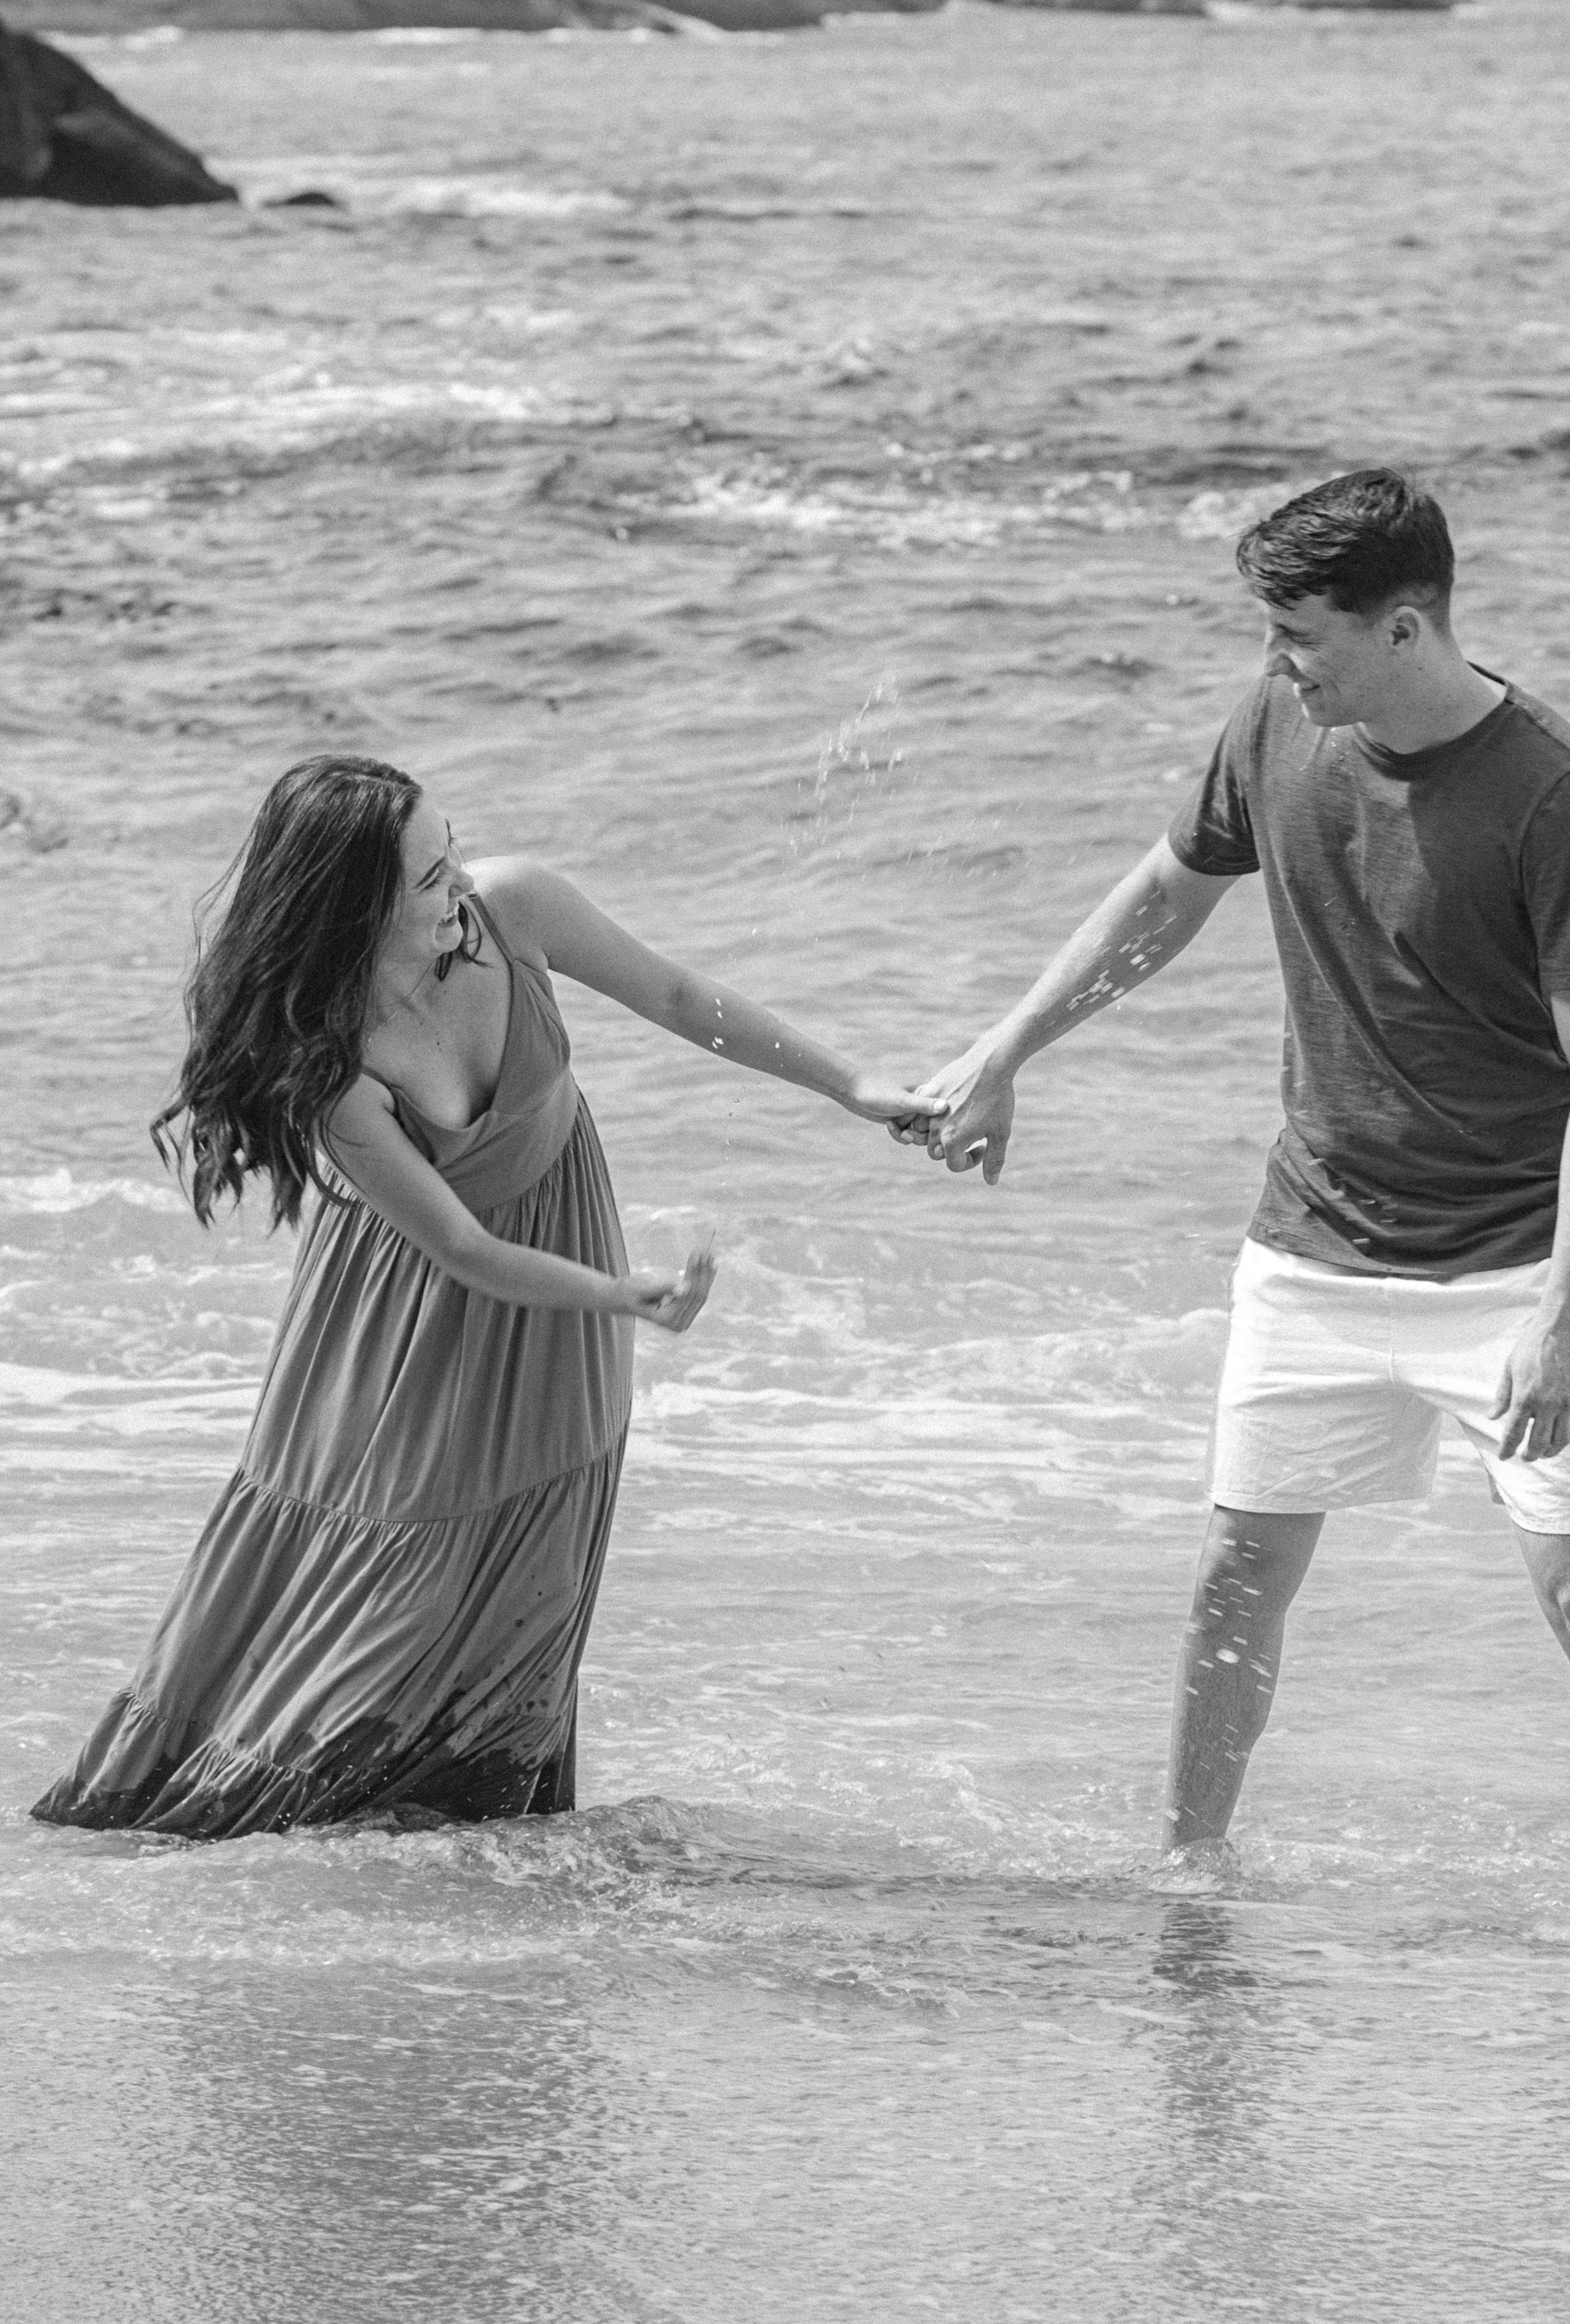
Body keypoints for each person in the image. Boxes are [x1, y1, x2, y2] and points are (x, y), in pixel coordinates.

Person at [905, 469, 1570, 1925]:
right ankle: (1189, 1877)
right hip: (1314, 1249)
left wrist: (1569, 1315)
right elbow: (1164, 895)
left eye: (1299, 635)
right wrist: (1007, 1050)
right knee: (1234, 1580)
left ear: (1404, 626)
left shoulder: (1560, 795)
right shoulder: (1277, 726)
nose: (1276, 662)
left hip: (1512, 1275)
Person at [35, 755, 937, 1838]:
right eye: (427, 877)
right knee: (392, 1575)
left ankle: (481, 1823)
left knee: (534, 1560)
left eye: (451, 849)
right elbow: (462, 1248)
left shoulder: (515, 907)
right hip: (413, 1308)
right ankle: (252, 1812)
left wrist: (851, 1085)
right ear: (356, 911)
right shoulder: (334, 1068)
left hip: (561, 1254)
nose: (458, 881)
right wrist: (620, 1294)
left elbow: (677, 996)